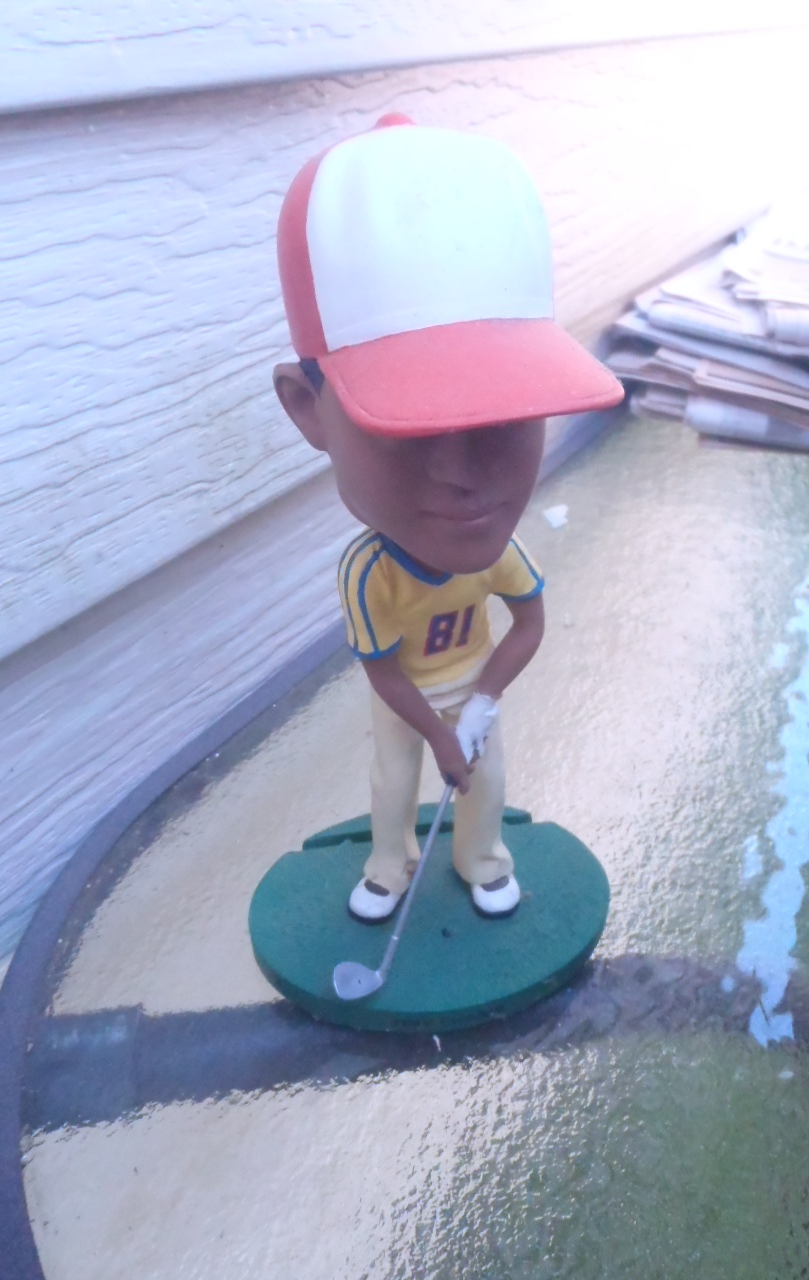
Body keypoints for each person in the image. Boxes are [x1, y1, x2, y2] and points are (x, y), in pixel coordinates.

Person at [272, 114, 624, 922]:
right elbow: (383, 671)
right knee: (392, 781)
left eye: (507, 413)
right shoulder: (370, 575)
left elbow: (528, 621)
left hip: (472, 687)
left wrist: (483, 705)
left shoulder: (498, 554)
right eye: (409, 423)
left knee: (485, 780)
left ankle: (482, 859)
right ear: (307, 408)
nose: (463, 475)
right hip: (409, 700)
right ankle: (388, 865)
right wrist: (438, 733)